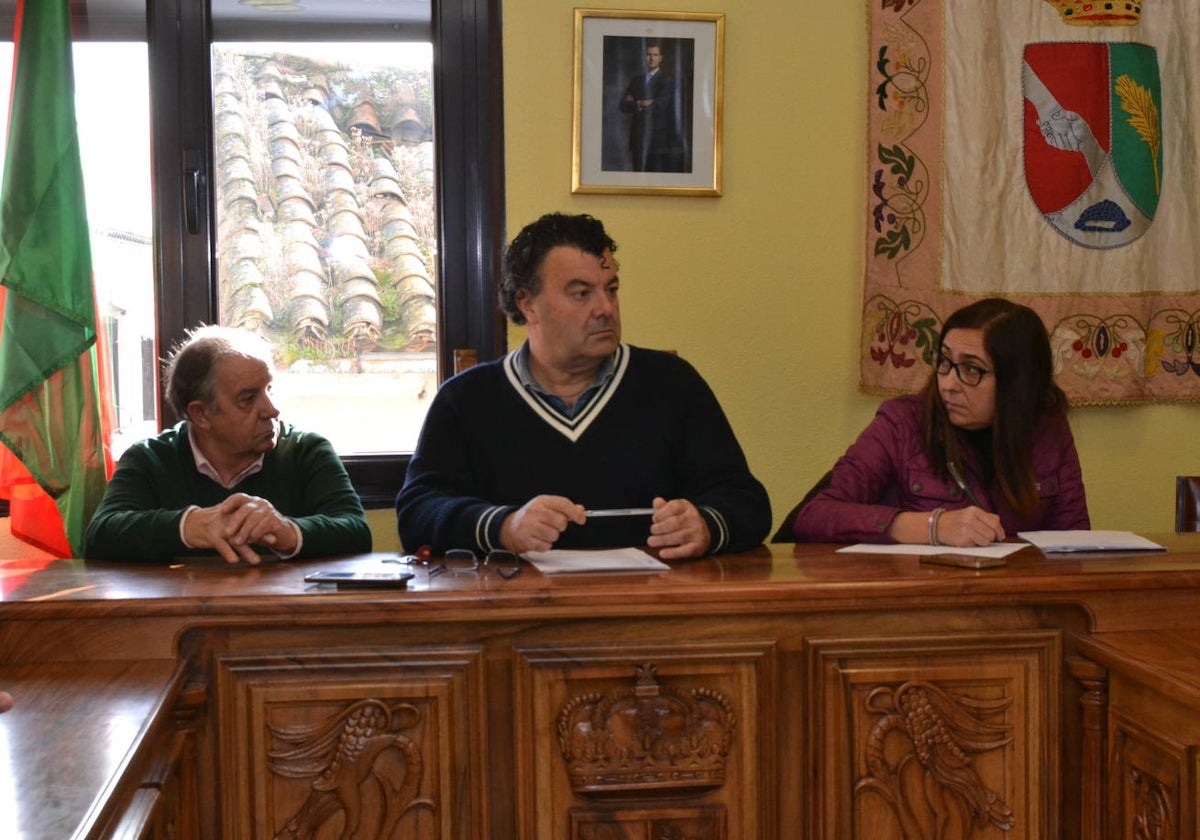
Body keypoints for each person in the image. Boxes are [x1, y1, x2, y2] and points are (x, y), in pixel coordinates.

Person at [396, 212, 771, 558]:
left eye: (611, 289)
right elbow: (417, 512)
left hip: (651, 613)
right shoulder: (468, 399)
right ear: (527, 304)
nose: (605, 308)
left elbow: (747, 502)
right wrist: (503, 527)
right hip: (516, 618)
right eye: (582, 293)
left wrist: (704, 525)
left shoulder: (672, 383)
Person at [793, 298, 1089, 546]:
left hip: (1015, 603)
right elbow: (814, 516)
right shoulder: (901, 423)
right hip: (920, 602)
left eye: (972, 370)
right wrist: (931, 527)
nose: (948, 384)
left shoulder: (1048, 428)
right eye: (944, 362)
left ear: (1019, 384)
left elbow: (1073, 542)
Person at [85, 325, 371, 564]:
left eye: (269, 390)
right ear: (202, 414)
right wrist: (188, 526)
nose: (271, 410)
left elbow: (357, 532)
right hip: (180, 619)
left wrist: (288, 531)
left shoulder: (306, 451)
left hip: (284, 619)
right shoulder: (149, 458)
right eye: (248, 398)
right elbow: (100, 536)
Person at [618, 42, 686, 172]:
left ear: (660, 58)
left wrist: (635, 101)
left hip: (657, 141)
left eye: (655, 55)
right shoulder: (636, 80)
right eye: (649, 54)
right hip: (637, 139)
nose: (652, 58)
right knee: (637, 179)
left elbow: (660, 107)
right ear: (644, 57)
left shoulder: (667, 80)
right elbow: (622, 105)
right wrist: (640, 103)